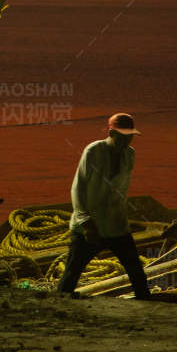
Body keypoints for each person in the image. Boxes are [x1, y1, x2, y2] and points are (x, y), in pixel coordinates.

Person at [57, 113, 153, 300]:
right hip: (90, 225)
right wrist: (85, 221)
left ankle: (146, 303)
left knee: (136, 271)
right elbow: (78, 187)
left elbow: (121, 191)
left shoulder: (130, 154)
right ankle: (60, 302)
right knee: (72, 272)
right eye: (122, 134)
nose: (127, 139)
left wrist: (124, 218)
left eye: (130, 135)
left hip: (116, 225)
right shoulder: (93, 151)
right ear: (111, 132)